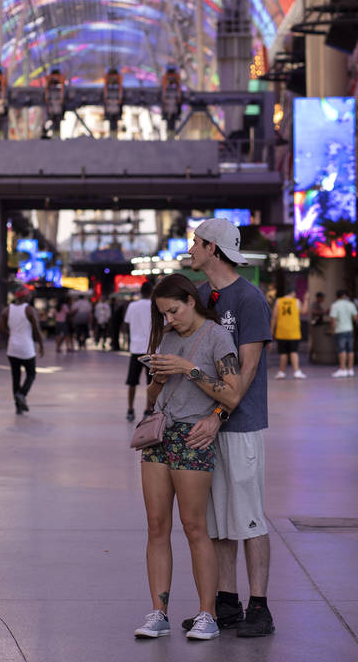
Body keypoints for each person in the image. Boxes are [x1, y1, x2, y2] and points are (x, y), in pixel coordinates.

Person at [133, 274, 243, 642]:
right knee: (156, 525)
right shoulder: (166, 337)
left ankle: (206, 614)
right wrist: (159, 378)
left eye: (174, 311)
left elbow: (231, 396)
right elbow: (150, 399)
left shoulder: (216, 337)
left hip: (194, 436)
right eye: (164, 314)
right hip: (159, 435)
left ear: (192, 301)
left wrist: (187, 369)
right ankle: (158, 612)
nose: (170, 320)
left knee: (195, 527)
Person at [183, 217, 275, 638]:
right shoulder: (201, 297)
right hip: (206, 425)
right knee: (217, 519)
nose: (191, 248)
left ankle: (260, 607)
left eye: (196, 242)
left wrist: (219, 416)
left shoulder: (249, 300)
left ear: (213, 248)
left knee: (249, 517)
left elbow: (248, 369)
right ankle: (226, 602)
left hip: (238, 426)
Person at [1, 288, 45, 415]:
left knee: (16, 377)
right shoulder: (29, 309)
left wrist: (11, 335)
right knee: (31, 374)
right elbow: (36, 329)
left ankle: (18, 407)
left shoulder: (7, 310)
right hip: (26, 348)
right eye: (28, 294)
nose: (30, 296)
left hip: (12, 348)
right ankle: (22, 394)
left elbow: (2, 328)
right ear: (24, 297)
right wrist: (41, 345)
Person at [123, 280, 155, 422]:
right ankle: (148, 409)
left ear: (140, 292)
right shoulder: (155, 306)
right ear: (152, 292)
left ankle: (130, 409)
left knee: (132, 381)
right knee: (151, 382)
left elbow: (126, 324)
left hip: (135, 348)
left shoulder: (132, 306)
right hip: (150, 349)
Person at [271, 285, 306, 380]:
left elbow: (274, 317)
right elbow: (304, 311)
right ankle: (297, 372)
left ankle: (281, 372)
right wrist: (306, 300)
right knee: (294, 352)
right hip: (293, 332)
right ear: (293, 293)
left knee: (283, 353)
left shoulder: (279, 301)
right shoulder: (296, 301)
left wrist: (271, 331)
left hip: (281, 331)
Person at [329, 289, 358, 378]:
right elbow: (355, 317)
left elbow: (333, 319)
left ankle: (342, 369)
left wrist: (332, 330)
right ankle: (350, 369)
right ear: (344, 296)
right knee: (350, 350)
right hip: (349, 329)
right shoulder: (351, 304)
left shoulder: (335, 305)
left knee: (341, 350)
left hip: (340, 330)